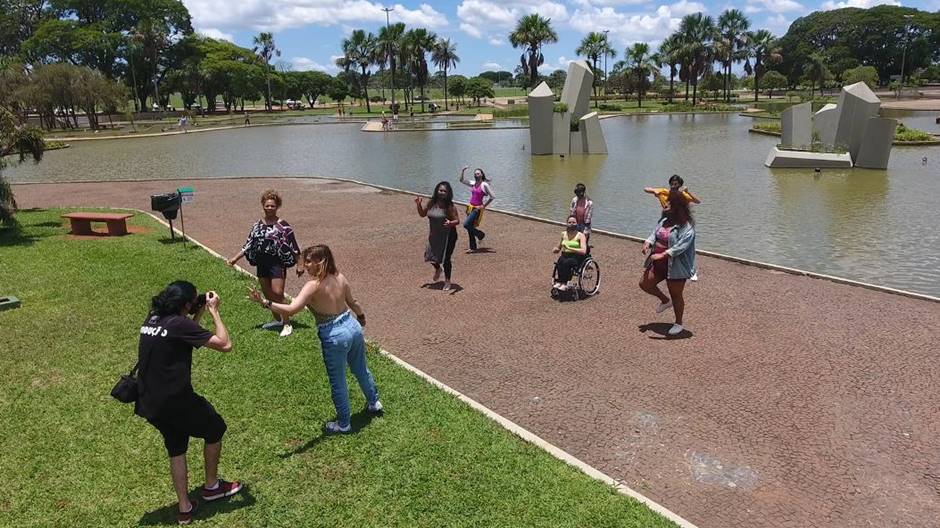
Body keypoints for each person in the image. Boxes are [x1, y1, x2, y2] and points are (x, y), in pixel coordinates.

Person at [135, 281, 241, 525]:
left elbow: (183, 335)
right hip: (176, 400)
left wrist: (198, 309)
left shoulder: (153, 318)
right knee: (215, 428)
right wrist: (214, 311)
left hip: (151, 401)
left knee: (176, 446)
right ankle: (212, 486)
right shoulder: (179, 324)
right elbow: (225, 344)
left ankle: (184, 509)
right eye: (194, 301)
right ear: (184, 305)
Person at [249, 245, 382, 433]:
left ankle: (344, 423)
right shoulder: (339, 277)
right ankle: (374, 402)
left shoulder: (312, 286)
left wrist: (265, 302)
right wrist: (361, 318)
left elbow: (291, 310)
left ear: (321, 261)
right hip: (352, 326)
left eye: (309, 261)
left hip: (334, 335)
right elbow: (353, 303)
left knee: (338, 381)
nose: (305, 265)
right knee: (361, 369)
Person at [227, 190, 301, 337]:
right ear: (263, 206)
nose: (269, 208)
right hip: (262, 263)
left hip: (276, 263)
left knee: (278, 294)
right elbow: (248, 245)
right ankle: (278, 320)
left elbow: (294, 246)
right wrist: (235, 258)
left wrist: (300, 264)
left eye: (272, 206)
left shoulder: (283, 226)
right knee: (268, 294)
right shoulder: (257, 226)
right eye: (267, 205)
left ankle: (287, 323)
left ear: (277, 206)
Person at [639, 190, 696, 336]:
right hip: (658, 264)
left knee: (676, 294)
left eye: (668, 204)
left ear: (677, 207)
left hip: (675, 266)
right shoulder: (664, 221)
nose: (664, 205)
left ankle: (678, 323)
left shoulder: (686, 227)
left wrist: (664, 254)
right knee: (644, 284)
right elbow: (655, 233)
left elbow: (681, 247)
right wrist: (648, 242)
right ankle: (665, 300)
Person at [415, 182, 460, 291]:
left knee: (446, 259)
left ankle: (448, 281)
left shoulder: (450, 206)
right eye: (440, 190)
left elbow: (457, 220)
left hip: (448, 236)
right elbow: (422, 214)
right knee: (429, 255)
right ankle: (438, 269)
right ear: (437, 191)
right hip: (435, 234)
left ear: (448, 193)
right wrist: (418, 204)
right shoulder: (432, 202)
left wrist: (450, 223)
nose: (442, 193)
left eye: (444, 191)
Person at [458, 166, 495, 253]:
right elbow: (461, 180)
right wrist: (463, 170)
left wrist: (484, 206)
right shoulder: (473, 183)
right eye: (475, 174)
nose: (476, 175)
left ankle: (480, 234)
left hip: (477, 209)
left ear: (482, 175)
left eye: (478, 173)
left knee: (466, 225)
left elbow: (492, 196)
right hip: (470, 207)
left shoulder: (484, 185)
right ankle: (473, 247)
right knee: (470, 227)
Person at [552, 215, 589, 291]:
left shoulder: (581, 235)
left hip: (576, 257)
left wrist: (571, 248)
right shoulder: (563, 234)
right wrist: (556, 249)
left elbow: (583, 251)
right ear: (567, 224)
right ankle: (560, 281)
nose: (571, 224)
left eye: (573, 222)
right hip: (565, 254)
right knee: (560, 262)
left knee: (566, 263)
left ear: (577, 223)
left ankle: (565, 283)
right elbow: (559, 247)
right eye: (569, 222)